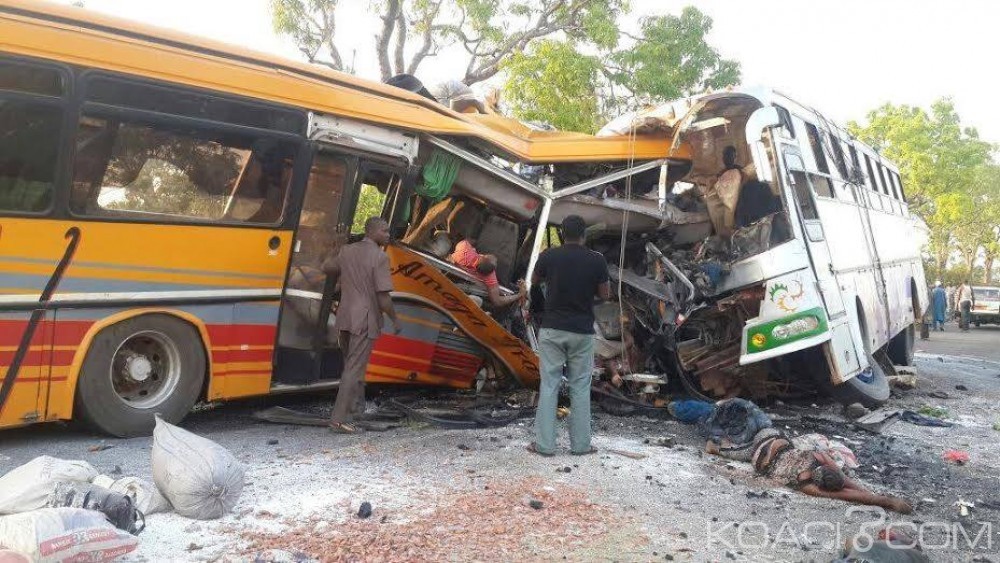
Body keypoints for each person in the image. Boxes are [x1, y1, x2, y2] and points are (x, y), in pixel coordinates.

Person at [527, 215, 610, 456]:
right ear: (584, 234)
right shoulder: (597, 260)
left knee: (550, 385)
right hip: (581, 331)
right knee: (580, 388)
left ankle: (544, 446)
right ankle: (581, 445)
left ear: (562, 234)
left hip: (552, 329)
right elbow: (605, 295)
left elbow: (534, 281)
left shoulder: (549, 256)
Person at [706, 430, 912, 514]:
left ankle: (720, 445)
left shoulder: (818, 457)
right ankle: (719, 446)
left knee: (747, 429)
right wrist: (882, 500)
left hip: (771, 436)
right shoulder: (806, 484)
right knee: (734, 448)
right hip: (757, 456)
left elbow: (847, 482)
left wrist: (883, 499)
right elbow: (849, 492)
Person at [322, 216, 401, 433]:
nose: (388, 235)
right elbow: (383, 297)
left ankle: (356, 412)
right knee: (354, 370)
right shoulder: (379, 257)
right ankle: (338, 421)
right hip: (365, 318)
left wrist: (336, 246)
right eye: (384, 231)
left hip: (345, 315)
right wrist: (395, 319)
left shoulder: (347, 251)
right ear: (372, 232)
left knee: (352, 365)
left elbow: (326, 267)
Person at [449, 238, 526, 308]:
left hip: (452, 275)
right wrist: (519, 294)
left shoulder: (464, 250)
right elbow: (497, 301)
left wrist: (475, 241)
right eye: (495, 262)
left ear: (482, 256)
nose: (495, 260)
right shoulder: (490, 277)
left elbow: (467, 241)